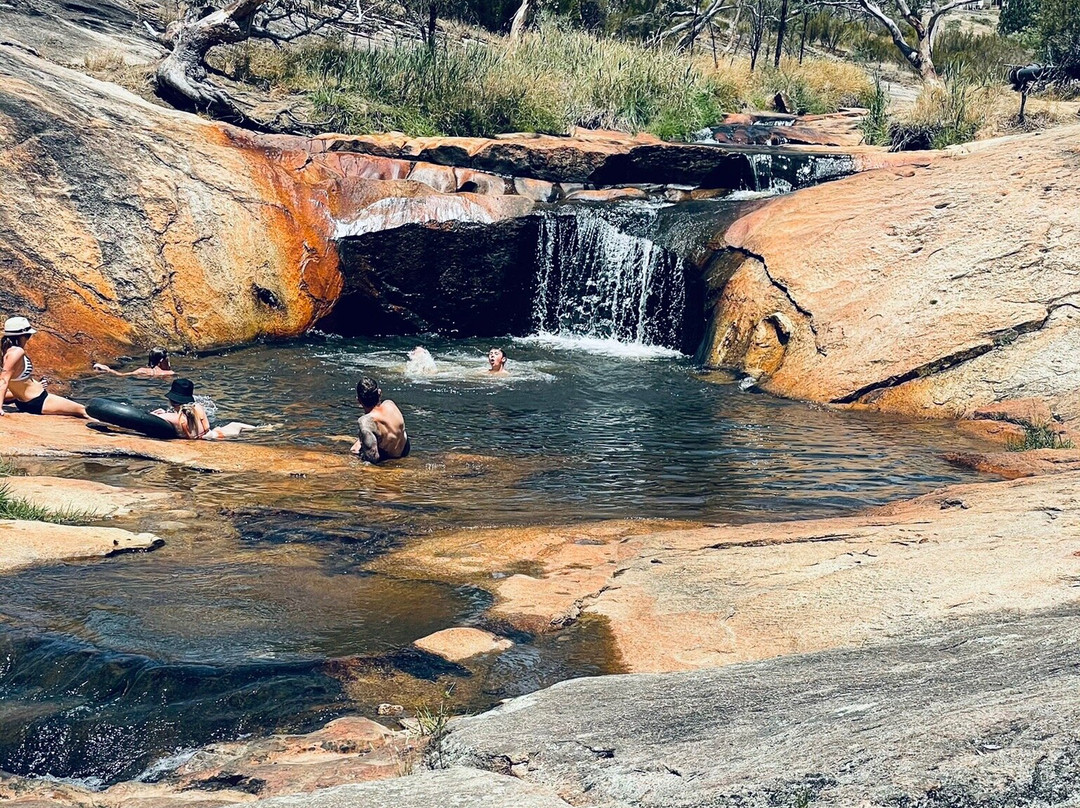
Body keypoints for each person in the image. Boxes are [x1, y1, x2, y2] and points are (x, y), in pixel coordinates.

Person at [0, 316, 88, 418]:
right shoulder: (17, 352)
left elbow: (15, 381)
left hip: (24, 401)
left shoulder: (5, 350)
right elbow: (4, 379)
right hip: (37, 400)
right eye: (28, 336)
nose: (28, 339)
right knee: (83, 410)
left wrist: (38, 384)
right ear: (22, 336)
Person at [152, 378, 260, 440]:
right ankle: (266, 429)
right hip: (217, 434)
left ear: (171, 400)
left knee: (236, 425)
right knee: (237, 425)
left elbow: (148, 417)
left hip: (217, 436)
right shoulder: (197, 407)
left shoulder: (174, 417)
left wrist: (160, 413)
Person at [351, 376, 409, 463]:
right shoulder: (390, 404)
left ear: (359, 400)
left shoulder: (365, 421)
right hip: (403, 452)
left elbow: (372, 457)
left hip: (388, 460)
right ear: (379, 393)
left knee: (353, 450)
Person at [93, 348, 175, 378]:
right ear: (162, 361)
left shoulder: (143, 370)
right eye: (167, 360)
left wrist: (108, 370)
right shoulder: (170, 373)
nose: (169, 362)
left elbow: (121, 375)